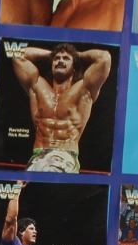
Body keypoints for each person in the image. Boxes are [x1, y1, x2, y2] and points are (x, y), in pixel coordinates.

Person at [6, 43, 112, 174]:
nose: (60, 61)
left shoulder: (84, 89)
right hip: (38, 157)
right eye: (56, 59)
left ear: (74, 67)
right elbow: (17, 55)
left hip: (66, 157)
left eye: (66, 58)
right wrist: (51, 54)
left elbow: (104, 58)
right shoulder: (38, 86)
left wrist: (76, 55)